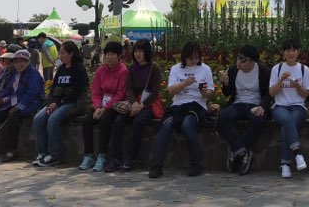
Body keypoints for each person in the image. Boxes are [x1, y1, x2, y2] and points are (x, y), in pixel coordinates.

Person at [148, 41, 214, 178]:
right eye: (191, 58)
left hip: (196, 105)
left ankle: (196, 163)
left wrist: (204, 93)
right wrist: (185, 83)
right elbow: (171, 91)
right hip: (178, 105)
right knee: (166, 126)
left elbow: (210, 92)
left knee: (187, 125)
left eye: (196, 57)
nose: (194, 61)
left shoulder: (205, 69)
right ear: (184, 57)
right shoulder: (176, 69)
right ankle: (156, 165)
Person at [105, 39, 163, 172]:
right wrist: (134, 102)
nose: (138, 54)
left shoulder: (154, 68)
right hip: (134, 102)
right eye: (136, 51)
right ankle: (115, 158)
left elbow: (155, 92)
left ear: (146, 52)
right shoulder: (132, 68)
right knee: (118, 121)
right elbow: (129, 89)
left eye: (141, 51)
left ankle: (131, 159)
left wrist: (142, 105)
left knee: (138, 122)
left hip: (150, 103)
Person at [216, 43, 271, 176]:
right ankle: (242, 150)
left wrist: (263, 106)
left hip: (255, 104)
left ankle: (237, 150)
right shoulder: (233, 70)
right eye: (238, 58)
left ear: (252, 62)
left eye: (243, 59)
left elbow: (269, 93)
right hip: (238, 103)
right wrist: (225, 83)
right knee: (223, 117)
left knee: (258, 120)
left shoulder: (263, 71)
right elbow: (227, 93)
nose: (239, 62)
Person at [33, 39, 89, 166]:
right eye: (60, 53)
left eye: (63, 53)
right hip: (57, 102)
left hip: (72, 103)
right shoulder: (61, 69)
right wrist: (53, 102)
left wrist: (59, 103)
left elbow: (77, 91)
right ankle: (42, 153)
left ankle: (55, 155)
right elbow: (54, 88)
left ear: (71, 54)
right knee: (38, 119)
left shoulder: (79, 69)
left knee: (53, 120)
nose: (60, 55)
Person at [79, 41, 128, 172]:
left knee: (105, 121)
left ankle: (102, 155)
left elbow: (120, 94)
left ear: (118, 56)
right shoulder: (100, 71)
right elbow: (95, 92)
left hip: (114, 106)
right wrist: (97, 107)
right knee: (87, 121)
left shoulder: (123, 71)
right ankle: (88, 155)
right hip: (100, 105)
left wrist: (105, 108)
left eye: (112, 54)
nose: (109, 57)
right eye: (107, 54)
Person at [0, 49, 45, 162]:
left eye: (23, 61)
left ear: (28, 61)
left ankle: (12, 150)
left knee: (13, 119)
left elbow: (32, 94)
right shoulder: (16, 74)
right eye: (16, 61)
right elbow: (9, 89)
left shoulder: (33, 74)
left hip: (31, 104)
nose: (19, 64)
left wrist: (19, 107)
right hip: (15, 102)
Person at [269, 38, 309, 179]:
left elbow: (306, 94)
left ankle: (285, 164)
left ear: (298, 52)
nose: (291, 53)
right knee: (287, 119)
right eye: (288, 50)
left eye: (294, 50)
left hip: (298, 107)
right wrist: (281, 81)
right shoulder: (277, 69)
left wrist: (298, 86)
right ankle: (297, 153)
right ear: (283, 53)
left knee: (287, 124)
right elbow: (272, 93)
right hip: (280, 106)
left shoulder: (304, 70)